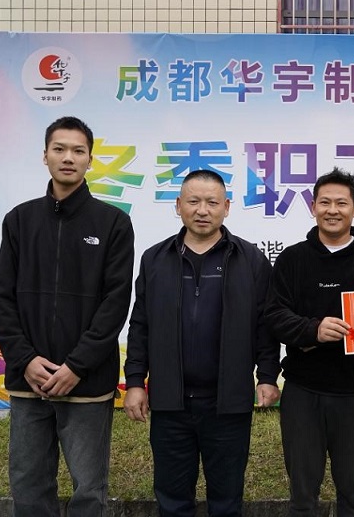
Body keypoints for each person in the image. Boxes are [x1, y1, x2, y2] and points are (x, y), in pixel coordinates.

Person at [0, 115, 135, 517]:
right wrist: (25, 360)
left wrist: (76, 366)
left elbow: (115, 304)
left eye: (77, 150)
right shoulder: (19, 220)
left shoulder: (113, 223)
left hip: (87, 382)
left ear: (91, 159)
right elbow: (3, 299)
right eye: (59, 149)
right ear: (45, 156)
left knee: (89, 488)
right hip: (29, 380)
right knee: (29, 483)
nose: (68, 158)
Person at [123, 169, 281, 517]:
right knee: (172, 499)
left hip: (227, 403)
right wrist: (134, 382)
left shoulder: (250, 259)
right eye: (193, 201)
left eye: (212, 202)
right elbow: (141, 324)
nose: (202, 210)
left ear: (227, 207)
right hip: (170, 402)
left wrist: (267, 376)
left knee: (226, 500)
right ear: (178, 205)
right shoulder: (155, 258)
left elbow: (265, 326)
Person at [265, 167, 354, 517]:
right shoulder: (292, 258)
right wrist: (312, 330)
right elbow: (274, 315)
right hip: (303, 391)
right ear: (313, 207)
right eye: (324, 203)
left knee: (352, 493)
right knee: (302, 496)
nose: (332, 210)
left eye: (341, 203)